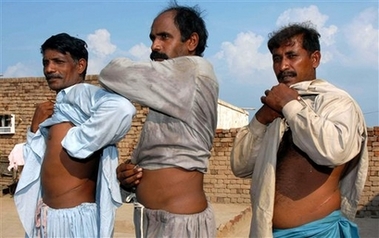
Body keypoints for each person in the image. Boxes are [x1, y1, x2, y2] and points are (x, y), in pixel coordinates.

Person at [230, 22, 368, 238]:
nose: (283, 66)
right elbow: (240, 166)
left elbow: (334, 151)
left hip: (319, 231)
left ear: (315, 59)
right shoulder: (275, 107)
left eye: (292, 56)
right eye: (277, 58)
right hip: (269, 231)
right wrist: (261, 119)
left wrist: (290, 106)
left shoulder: (337, 103)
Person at [98, 3, 219, 238]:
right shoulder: (169, 91)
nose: (155, 46)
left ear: (191, 42)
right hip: (152, 220)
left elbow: (111, 73)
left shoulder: (193, 71)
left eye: (165, 37)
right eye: (153, 38)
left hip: (179, 224)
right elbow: (162, 152)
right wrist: (130, 174)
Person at [14, 33, 136, 238]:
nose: (49, 69)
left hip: (74, 221)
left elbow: (122, 109)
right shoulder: (60, 104)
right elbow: (35, 164)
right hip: (46, 217)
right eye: (46, 63)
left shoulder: (82, 93)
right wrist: (35, 128)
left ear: (80, 65)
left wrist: (75, 141)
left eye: (58, 62)